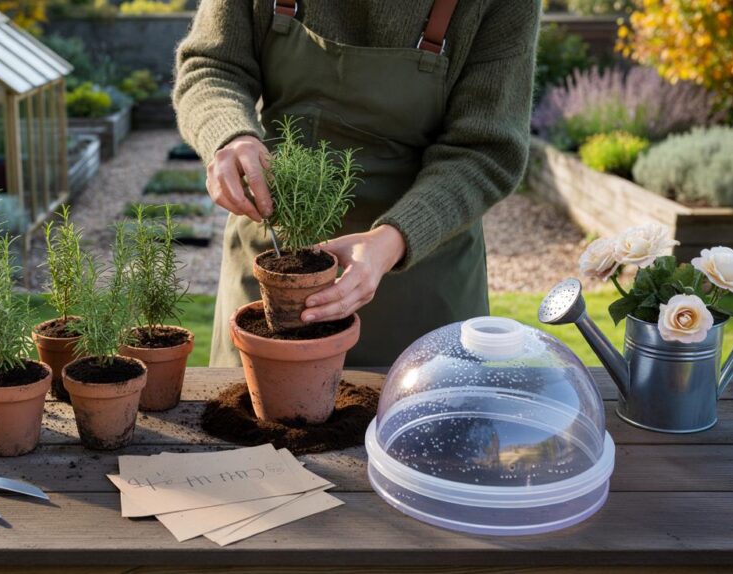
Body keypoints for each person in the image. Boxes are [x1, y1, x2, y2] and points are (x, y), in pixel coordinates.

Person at [173, 0, 542, 367]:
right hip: (274, 268)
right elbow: (212, 65)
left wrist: (393, 240)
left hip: (421, 278)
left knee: (418, 419)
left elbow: (486, 149)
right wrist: (230, 136)